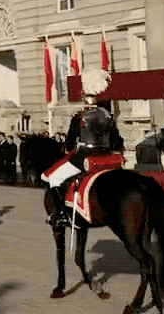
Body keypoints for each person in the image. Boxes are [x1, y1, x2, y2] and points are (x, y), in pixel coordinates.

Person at [42, 69, 123, 228]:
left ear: (85, 97)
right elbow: (116, 141)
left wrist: (70, 148)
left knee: (53, 179)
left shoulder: (80, 116)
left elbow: (70, 141)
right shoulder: (108, 116)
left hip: (84, 156)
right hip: (106, 156)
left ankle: (60, 214)